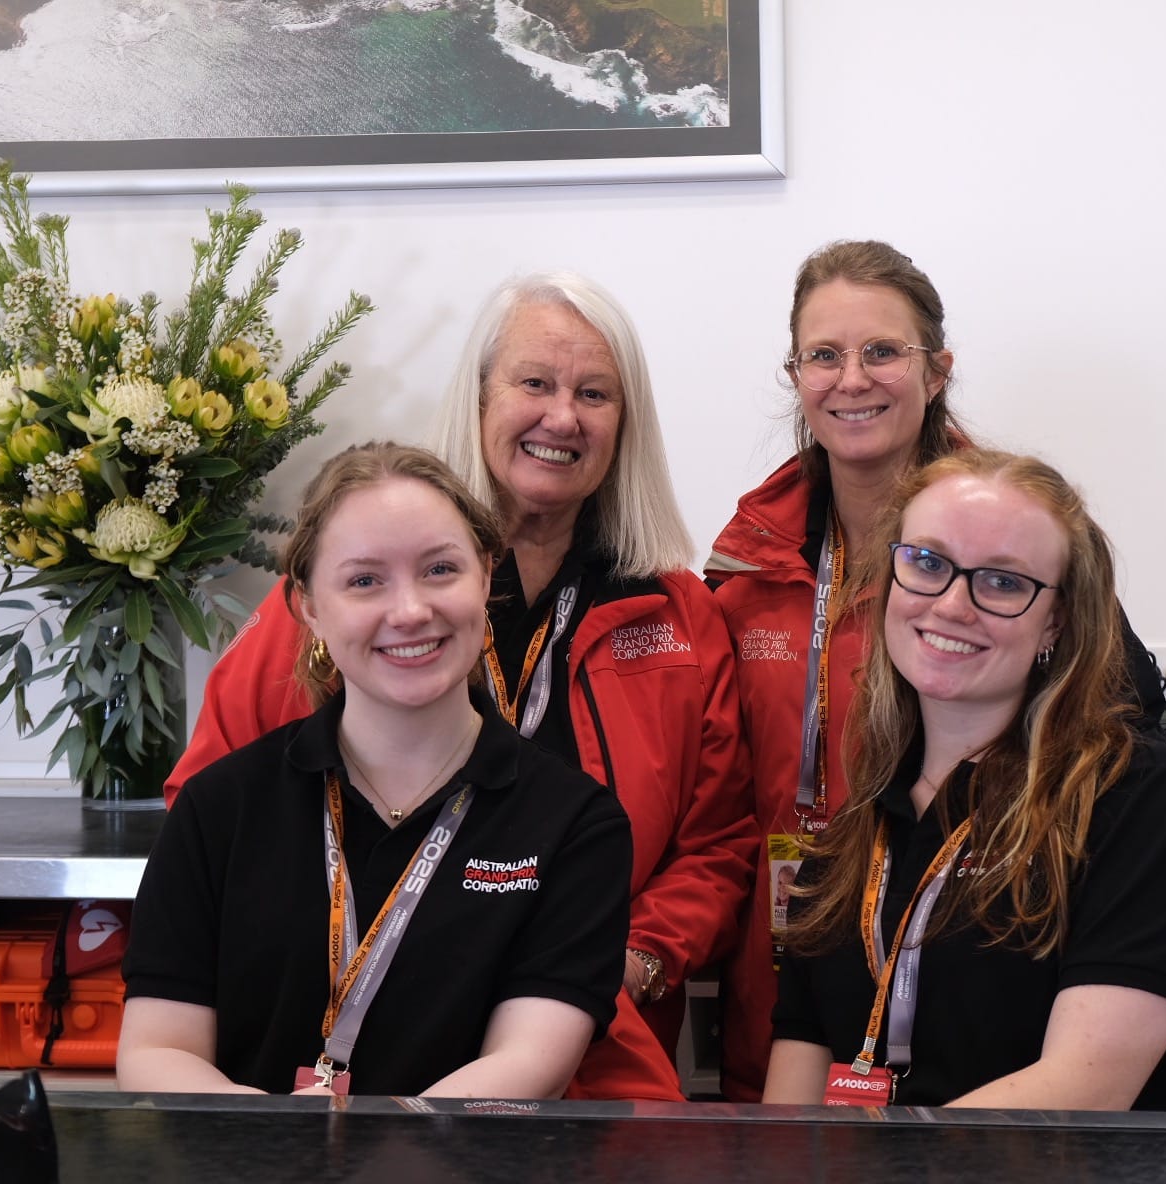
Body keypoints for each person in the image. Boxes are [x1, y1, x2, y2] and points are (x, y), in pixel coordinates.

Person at [706, 239, 1166, 1103]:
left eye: (882, 351)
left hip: (999, 924)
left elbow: (1114, 718)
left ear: (935, 370)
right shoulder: (740, 567)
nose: (852, 378)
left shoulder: (1024, 529)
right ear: (793, 373)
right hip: (820, 920)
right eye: (823, 355)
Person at [163, 273, 756, 1097]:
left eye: (594, 393)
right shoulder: (344, 596)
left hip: (594, 1066)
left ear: (625, 424)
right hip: (346, 1067)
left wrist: (623, 960)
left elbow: (718, 842)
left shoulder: (676, 614)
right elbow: (211, 806)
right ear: (478, 398)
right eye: (534, 383)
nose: (562, 417)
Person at [118, 442, 633, 1096]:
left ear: (486, 575)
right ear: (308, 606)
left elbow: (530, 1064)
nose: (410, 610)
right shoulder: (221, 807)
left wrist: (360, 1153)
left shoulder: (573, 825)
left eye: (440, 569)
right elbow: (156, 1049)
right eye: (365, 580)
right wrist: (283, 1148)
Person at [764, 449, 1166, 1110]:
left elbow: (1079, 1095)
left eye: (1001, 581)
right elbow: (793, 1107)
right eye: (926, 563)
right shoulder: (848, 841)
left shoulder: (1140, 803)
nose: (952, 604)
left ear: (1056, 619)